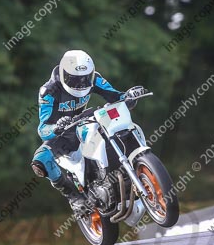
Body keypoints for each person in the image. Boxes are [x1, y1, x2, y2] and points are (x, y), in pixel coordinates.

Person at [31, 50, 144, 213]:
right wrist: (56, 127)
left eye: (85, 79)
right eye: (75, 80)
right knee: (40, 160)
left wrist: (129, 96)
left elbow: (116, 97)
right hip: (63, 133)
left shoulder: (95, 78)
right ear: (63, 74)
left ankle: (134, 165)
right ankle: (72, 195)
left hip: (88, 119)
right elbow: (43, 129)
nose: (81, 84)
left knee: (118, 123)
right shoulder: (48, 91)